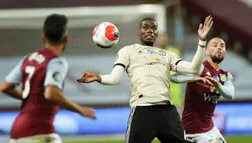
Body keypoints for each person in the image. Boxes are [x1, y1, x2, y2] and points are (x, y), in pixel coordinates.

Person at [78, 16, 213, 143]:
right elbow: (114, 79)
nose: (149, 30)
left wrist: (201, 41)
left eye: (153, 28)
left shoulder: (167, 55)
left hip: (167, 111)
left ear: (156, 33)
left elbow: (193, 68)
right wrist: (98, 77)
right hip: (143, 110)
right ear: (138, 32)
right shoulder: (128, 51)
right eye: (145, 27)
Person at [0, 14, 96, 143]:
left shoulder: (28, 59)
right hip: (39, 132)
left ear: (43, 37)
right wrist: (80, 110)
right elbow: (51, 93)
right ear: (65, 39)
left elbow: (5, 87)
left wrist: (30, 96)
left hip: (17, 132)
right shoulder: (57, 62)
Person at [171, 37, 235, 143]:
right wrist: (195, 78)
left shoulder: (226, 76)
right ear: (206, 51)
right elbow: (172, 77)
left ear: (225, 52)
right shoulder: (199, 68)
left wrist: (218, 86)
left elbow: (230, 95)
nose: (219, 48)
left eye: (222, 46)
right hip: (193, 131)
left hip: (210, 128)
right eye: (215, 45)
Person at [156, 32, 184, 114]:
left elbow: (177, 68)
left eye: (164, 37)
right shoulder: (152, 52)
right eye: (160, 37)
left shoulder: (174, 51)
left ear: (167, 39)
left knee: (178, 114)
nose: (162, 39)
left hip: (174, 88)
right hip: (158, 89)